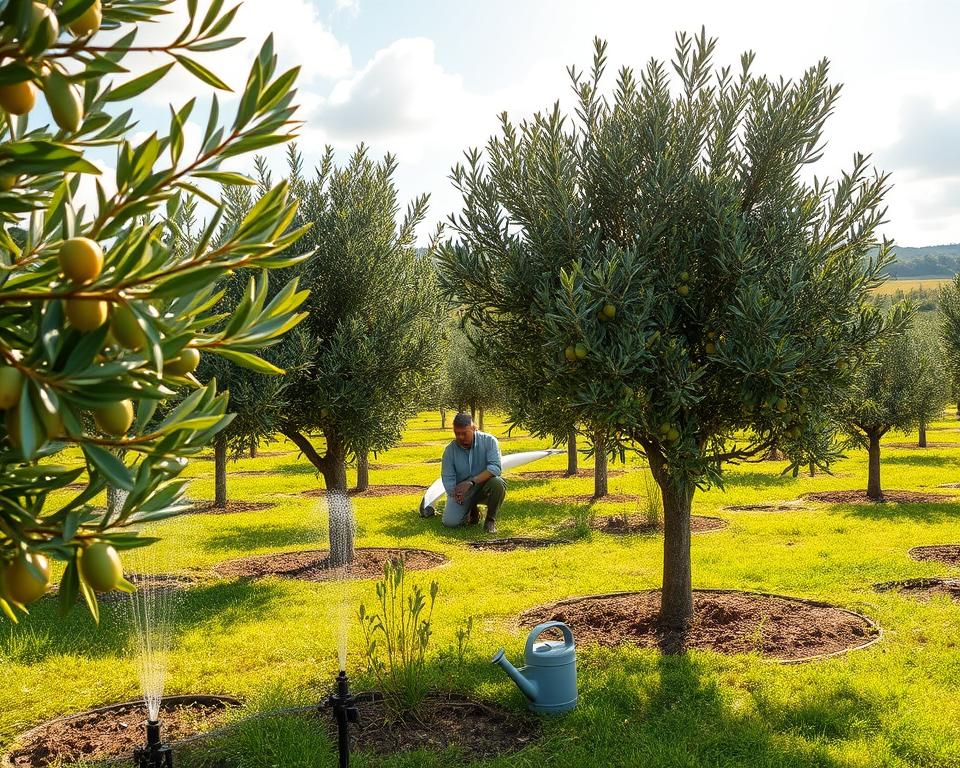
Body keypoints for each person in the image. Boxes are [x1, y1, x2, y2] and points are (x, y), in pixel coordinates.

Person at [439, 412, 506, 533]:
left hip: (484, 486)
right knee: (450, 523)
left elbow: (495, 468)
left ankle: (490, 521)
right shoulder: (450, 450)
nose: (460, 437)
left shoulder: (489, 441)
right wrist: (455, 494)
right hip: (462, 492)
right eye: (457, 433)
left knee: (497, 483)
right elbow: (448, 477)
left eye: (464, 433)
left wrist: (471, 482)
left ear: (474, 428)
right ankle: (471, 509)